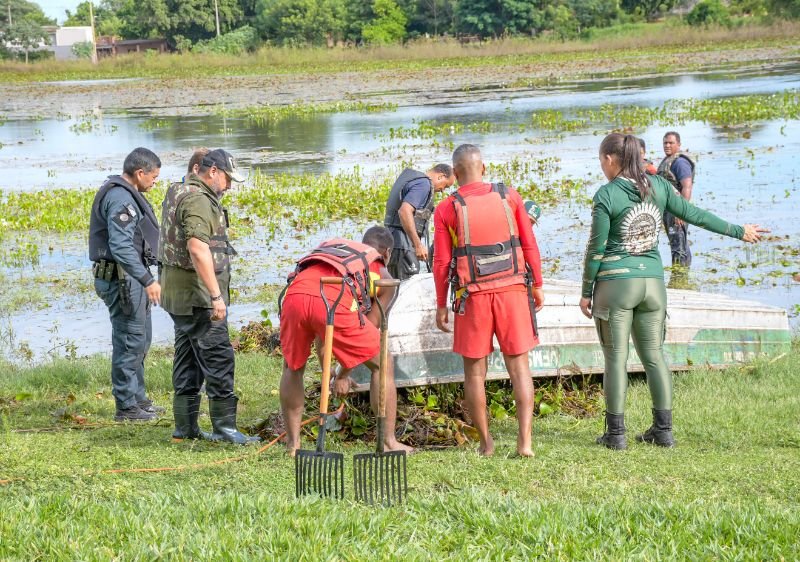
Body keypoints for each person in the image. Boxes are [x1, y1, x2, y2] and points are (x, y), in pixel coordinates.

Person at [580, 133, 768, 450]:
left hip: (616, 286)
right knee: (654, 356)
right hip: (653, 285)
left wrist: (586, 291)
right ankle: (663, 431)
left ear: (611, 159)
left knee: (615, 359)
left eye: (602, 161)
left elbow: (595, 249)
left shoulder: (607, 195)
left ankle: (615, 435)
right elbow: (695, 216)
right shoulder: (662, 187)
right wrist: (739, 231)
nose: (602, 168)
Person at [433, 144, 545, 457]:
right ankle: (525, 443)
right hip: (512, 291)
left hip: (473, 297)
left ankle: (486, 444)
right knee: (520, 369)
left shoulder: (446, 209)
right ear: (483, 168)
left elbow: (441, 262)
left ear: (455, 175)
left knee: (474, 374)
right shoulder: (510, 196)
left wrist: (441, 304)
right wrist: (536, 284)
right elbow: (529, 243)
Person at [279, 226, 413, 457]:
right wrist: (341, 375)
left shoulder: (340, 253)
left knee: (293, 367)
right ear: (387, 253)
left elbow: (326, 335)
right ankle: (389, 442)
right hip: (333, 297)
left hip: (295, 295)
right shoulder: (381, 273)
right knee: (382, 362)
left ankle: (293, 445)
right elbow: (366, 334)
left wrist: (330, 372)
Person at [158, 149, 259, 445]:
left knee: (188, 358)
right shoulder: (199, 199)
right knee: (218, 357)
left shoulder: (178, 189)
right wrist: (216, 297)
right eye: (227, 179)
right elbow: (197, 247)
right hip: (198, 296)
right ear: (212, 171)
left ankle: (185, 428)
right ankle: (226, 429)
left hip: (179, 296)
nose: (229, 186)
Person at [89, 147, 164, 422]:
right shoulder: (121, 198)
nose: (155, 182)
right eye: (154, 177)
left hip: (133, 278)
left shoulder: (127, 193)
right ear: (140, 172)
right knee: (129, 341)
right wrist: (147, 280)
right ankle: (126, 407)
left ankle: (139, 399)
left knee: (141, 339)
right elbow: (120, 246)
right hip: (123, 280)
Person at [384, 164, 455, 280]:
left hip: (394, 242)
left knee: (396, 286)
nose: (443, 190)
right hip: (402, 245)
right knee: (406, 286)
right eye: (446, 186)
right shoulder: (424, 184)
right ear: (440, 176)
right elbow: (404, 211)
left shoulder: (416, 181)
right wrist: (418, 245)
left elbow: (416, 211)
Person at [658, 131, 696, 267]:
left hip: (677, 212)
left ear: (678, 144)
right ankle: (681, 277)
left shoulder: (680, 162)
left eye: (671, 143)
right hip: (669, 211)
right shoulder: (668, 160)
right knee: (678, 244)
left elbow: (687, 187)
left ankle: (680, 279)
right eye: (665, 143)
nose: (667, 145)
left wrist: (681, 212)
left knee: (679, 247)